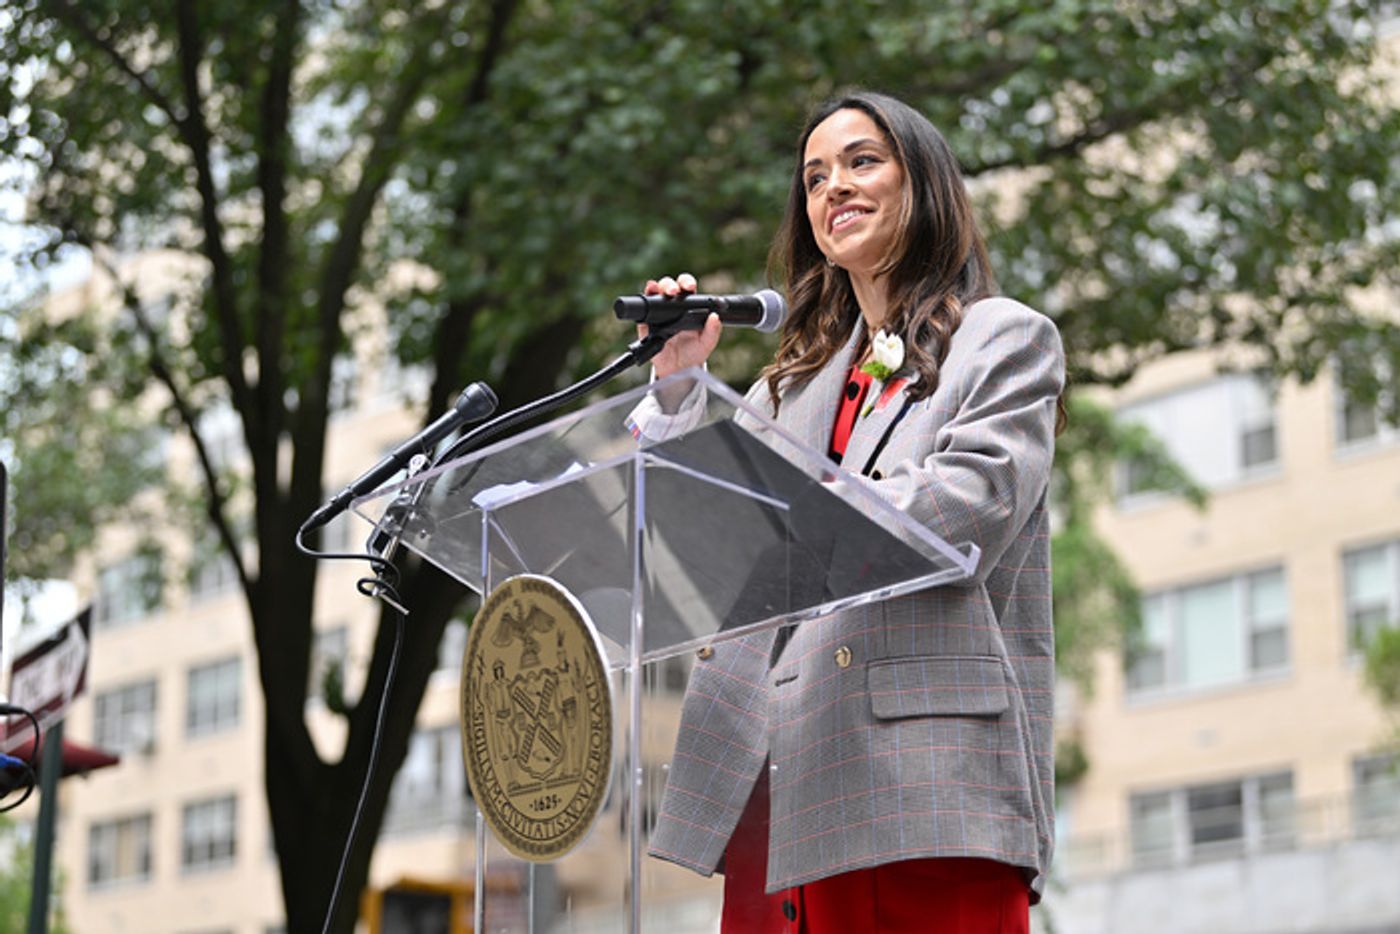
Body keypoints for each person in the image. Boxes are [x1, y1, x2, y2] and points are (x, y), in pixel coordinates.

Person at [634, 91, 1065, 933]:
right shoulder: (789, 387)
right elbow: (703, 540)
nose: (834, 187)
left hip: (918, 787)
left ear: (924, 186)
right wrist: (679, 387)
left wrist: (800, 513)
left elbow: (970, 503)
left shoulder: (1003, 339)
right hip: (775, 784)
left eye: (863, 162)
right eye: (815, 177)